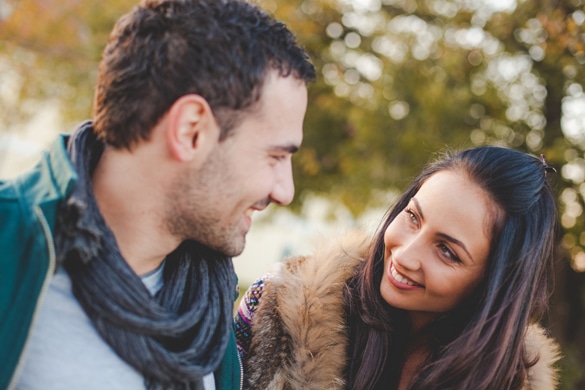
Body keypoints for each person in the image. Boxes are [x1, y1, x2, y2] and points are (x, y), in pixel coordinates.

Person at [0, 0, 315, 388]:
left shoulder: (211, 303)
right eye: (275, 156)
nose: (285, 191)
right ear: (190, 131)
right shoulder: (10, 252)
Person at [236, 146, 561, 389]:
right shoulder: (278, 302)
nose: (405, 256)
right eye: (412, 217)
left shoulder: (511, 380)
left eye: (447, 251)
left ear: (493, 284)